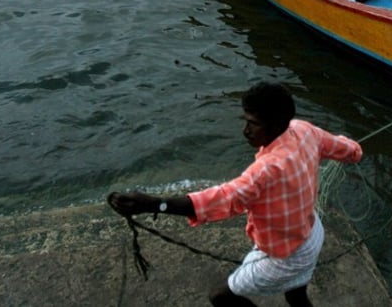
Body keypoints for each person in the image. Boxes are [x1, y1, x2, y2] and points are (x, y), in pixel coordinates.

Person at [108, 82, 363, 307]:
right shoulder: (304, 130)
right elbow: (342, 147)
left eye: (253, 124)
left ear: (274, 125)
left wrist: (154, 204)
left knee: (221, 296)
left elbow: (224, 199)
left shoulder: (266, 169)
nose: (245, 130)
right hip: (311, 235)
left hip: (288, 254)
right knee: (295, 295)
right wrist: (356, 152)